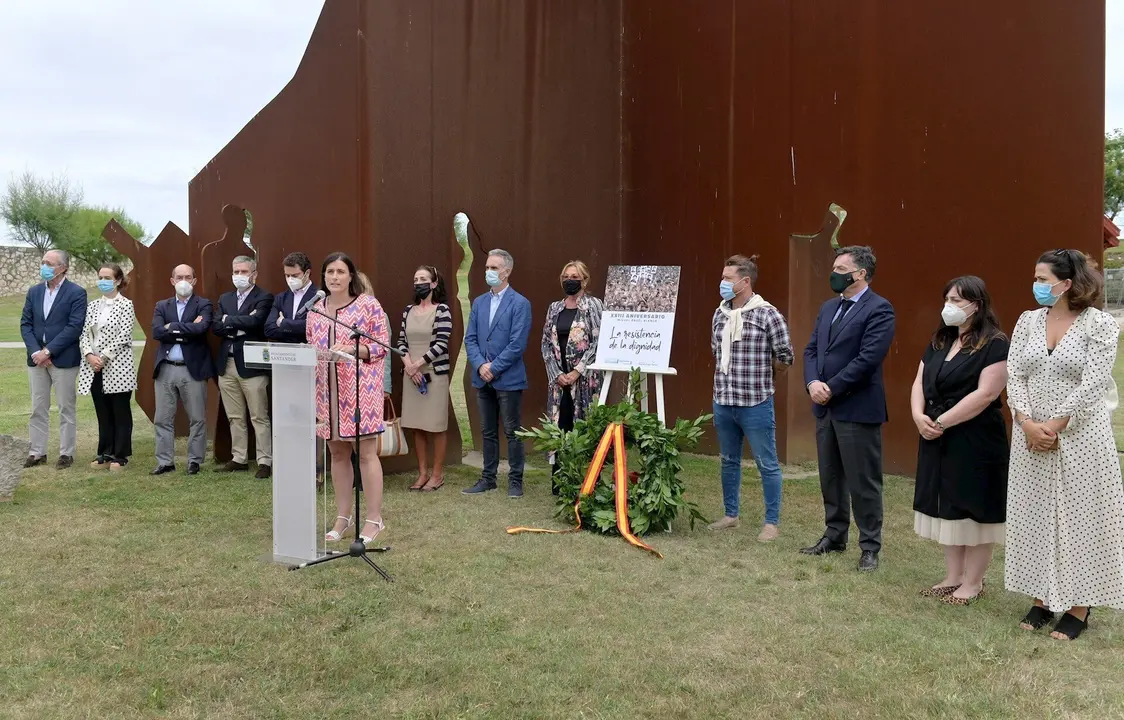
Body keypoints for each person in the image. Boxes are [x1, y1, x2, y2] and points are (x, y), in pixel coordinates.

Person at [1005, 249, 1124, 640]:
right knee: (1036, 514)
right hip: (1030, 435)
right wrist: (1026, 423)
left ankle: (1079, 605)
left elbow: (1094, 382)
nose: (1036, 285)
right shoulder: (1028, 320)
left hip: (1081, 436)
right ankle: (1041, 599)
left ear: (1066, 283)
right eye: (1035, 278)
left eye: (1043, 279)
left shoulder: (1099, 325)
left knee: (1082, 517)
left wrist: (1055, 425)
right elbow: (1015, 374)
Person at [911, 276, 1008, 605]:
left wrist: (941, 421)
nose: (949, 306)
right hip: (938, 437)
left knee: (975, 509)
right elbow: (919, 379)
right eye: (947, 298)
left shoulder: (995, 343)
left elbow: (986, 394)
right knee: (948, 506)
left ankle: (974, 582)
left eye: (956, 300)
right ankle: (953, 577)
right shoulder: (941, 339)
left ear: (976, 305)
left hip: (975, 438)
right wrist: (918, 416)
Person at [801, 245, 895, 571]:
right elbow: (812, 349)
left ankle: (870, 546)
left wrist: (832, 387)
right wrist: (813, 383)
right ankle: (835, 534)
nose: (834, 274)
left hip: (856, 408)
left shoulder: (880, 309)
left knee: (862, 481)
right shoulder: (828, 307)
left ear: (861, 274)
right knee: (831, 477)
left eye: (841, 269)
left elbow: (868, 359)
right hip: (825, 409)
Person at [709, 255, 794, 541]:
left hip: (756, 402)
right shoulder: (719, 314)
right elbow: (716, 353)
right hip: (724, 401)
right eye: (723, 277)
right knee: (728, 460)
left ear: (745, 282)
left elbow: (785, 356)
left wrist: (765, 375)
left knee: (766, 463)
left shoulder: (768, 314)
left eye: (728, 278)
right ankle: (730, 515)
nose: (723, 283)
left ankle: (771, 522)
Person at [307, 253, 390, 545]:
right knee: (338, 454)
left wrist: (355, 350)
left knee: (365, 454)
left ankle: (373, 519)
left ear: (351, 276)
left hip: (359, 392)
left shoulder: (368, 305)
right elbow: (310, 347)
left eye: (341, 271)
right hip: (325, 392)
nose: (335, 277)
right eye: (329, 271)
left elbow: (381, 347)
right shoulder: (315, 310)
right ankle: (343, 517)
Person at [462, 249, 533, 497]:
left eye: (494, 268)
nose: (489, 272)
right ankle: (488, 478)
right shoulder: (479, 302)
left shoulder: (520, 303)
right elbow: (470, 339)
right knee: (487, 430)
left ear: (507, 271)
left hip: (508, 379)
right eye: (487, 268)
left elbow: (517, 344)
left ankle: (515, 481)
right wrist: (481, 365)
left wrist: (494, 367)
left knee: (512, 431)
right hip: (483, 378)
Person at [20, 249, 87, 469]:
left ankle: (66, 453)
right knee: (38, 407)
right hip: (36, 360)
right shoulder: (35, 292)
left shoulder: (76, 293)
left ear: (63, 268)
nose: (44, 267)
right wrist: (36, 352)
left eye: (49, 263)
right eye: (43, 262)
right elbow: (26, 324)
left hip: (64, 360)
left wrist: (48, 352)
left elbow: (74, 327)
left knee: (65, 408)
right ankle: (37, 452)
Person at [540, 260, 604, 494]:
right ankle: (560, 484)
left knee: (583, 428)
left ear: (584, 280)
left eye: (575, 276)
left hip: (585, 381)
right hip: (559, 383)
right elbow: (546, 342)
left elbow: (599, 341)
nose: (570, 280)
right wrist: (557, 374)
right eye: (566, 275)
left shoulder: (594, 305)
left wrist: (577, 371)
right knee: (560, 428)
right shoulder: (554, 308)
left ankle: (586, 483)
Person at [213, 255, 274, 478]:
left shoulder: (264, 297)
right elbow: (216, 326)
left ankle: (264, 460)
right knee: (235, 416)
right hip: (227, 365)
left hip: (252, 366)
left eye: (244, 272)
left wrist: (230, 320)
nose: (239, 276)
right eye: (236, 271)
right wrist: (238, 320)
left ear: (254, 274)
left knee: (259, 416)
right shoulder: (225, 298)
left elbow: (256, 322)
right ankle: (239, 457)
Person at [152, 264, 214, 475]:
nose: (184, 280)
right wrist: (186, 327)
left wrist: (172, 327)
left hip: (192, 369)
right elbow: (157, 332)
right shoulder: (162, 305)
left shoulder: (203, 304)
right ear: (172, 280)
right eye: (179, 277)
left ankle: (194, 460)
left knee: (197, 417)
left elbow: (201, 328)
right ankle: (165, 461)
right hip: (166, 368)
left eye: (188, 277)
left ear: (195, 280)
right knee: (162, 418)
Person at [77, 263, 138, 471]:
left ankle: (120, 455)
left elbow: (124, 336)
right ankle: (105, 452)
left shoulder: (126, 305)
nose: (102, 281)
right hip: (94, 367)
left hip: (118, 366)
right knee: (102, 411)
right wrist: (89, 355)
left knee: (120, 411)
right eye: (100, 277)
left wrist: (102, 357)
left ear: (118, 281)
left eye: (107, 278)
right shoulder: (93, 305)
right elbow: (85, 333)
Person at [398, 265, 453, 492]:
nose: (419, 282)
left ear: (433, 284)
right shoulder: (407, 311)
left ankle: (437, 474)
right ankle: (422, 473)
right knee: (417, 426)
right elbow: (401, 342)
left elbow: (441, 343)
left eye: (423, 279)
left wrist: (418, 364)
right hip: (411, 376)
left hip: (434, 374)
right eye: (416, 278)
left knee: (436, 425)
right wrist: (409, 366)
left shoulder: (442, 310)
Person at [265, 252, 319, 344]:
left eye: (294, 276)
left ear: (307, 273)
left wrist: (283, 323)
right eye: (287, 275)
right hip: (284, 353)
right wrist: (297, 328)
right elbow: (269, 330)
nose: (290, 279)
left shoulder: (319, 296)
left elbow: (316, 327)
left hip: (308, 352)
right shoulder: (281, 298)